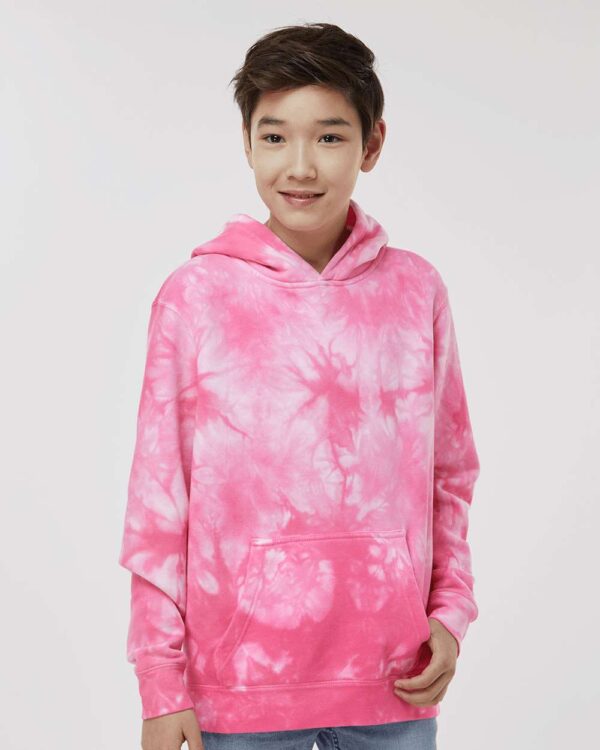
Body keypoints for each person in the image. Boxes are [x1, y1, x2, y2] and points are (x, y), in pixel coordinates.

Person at [118, 21, 481, 750]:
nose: (301, 165)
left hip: (396, 681)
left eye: (330, 136)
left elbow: (450, 472)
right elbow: (159, 501)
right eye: (276, 137)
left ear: (372, 144)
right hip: (239, 689)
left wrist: (450, 613)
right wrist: (161, 682)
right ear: (247, 144)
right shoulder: (196, 297)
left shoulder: (416, 290)